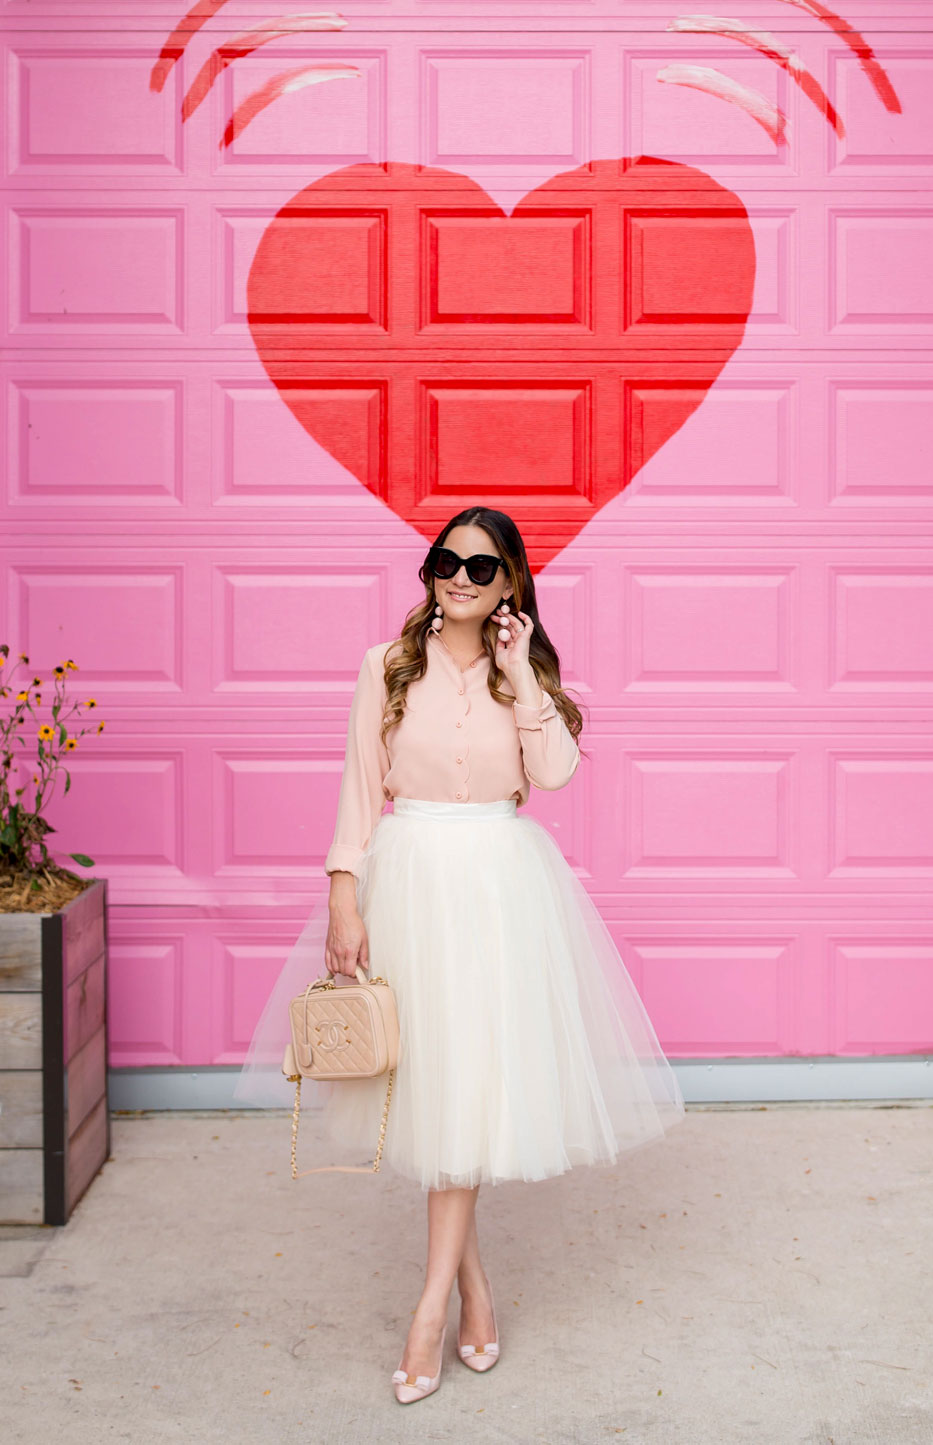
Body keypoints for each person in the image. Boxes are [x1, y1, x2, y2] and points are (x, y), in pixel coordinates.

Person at [234, 505, 685, 1404]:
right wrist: (341, 893)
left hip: (500, 891)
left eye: (483, 569)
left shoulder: (526, 675)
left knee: (468, 1089)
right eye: (448, 561)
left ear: (511, 583)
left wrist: (520, 673)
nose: (461, 578)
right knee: (442, 1088)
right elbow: (360, 790)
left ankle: (432, 1305)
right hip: (413, 883)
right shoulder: (388, 666)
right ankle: (475, 1289)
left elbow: (552, 774)